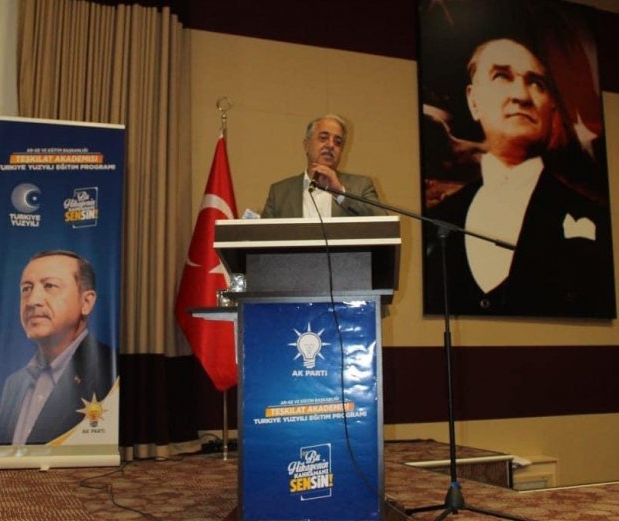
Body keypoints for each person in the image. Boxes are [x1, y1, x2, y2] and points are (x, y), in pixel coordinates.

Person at [424, 38, 615, 318]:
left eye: (536, 83)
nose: (522, 95)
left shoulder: (593, 218)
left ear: (552, 108)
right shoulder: (439, 219)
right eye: (502, 76)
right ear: (473, 101)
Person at [0, 250, 116, 445]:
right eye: (26, 289)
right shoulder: (13, 384)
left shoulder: (112, 375)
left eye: (50, 286)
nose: (32, 301)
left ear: (86, 302)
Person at [261, 114, 385, 218]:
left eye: (338, 142)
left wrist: (340, 194)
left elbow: (384, 225)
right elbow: (263, 236)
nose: (331, 145)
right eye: (323, 138)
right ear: (306, 146)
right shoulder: (279, 192)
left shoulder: (361, 186)